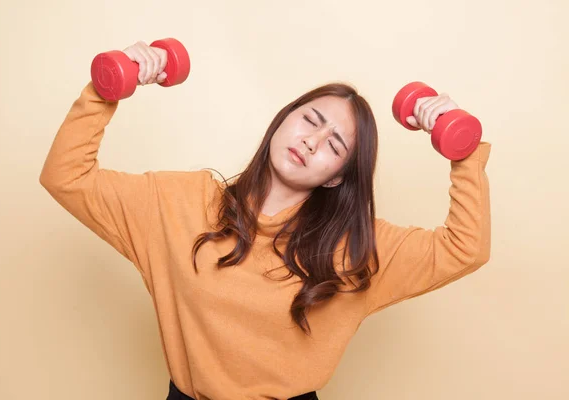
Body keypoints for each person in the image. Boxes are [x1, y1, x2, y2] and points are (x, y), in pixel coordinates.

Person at [39, 40, 491, 400]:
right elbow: (66, 176)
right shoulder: (176, 201)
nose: (313, 142)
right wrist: (105, 90)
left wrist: (463, 152)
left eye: (335, 147)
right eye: (310, 120)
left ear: (337, 178)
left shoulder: (357, 247)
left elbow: (464, 248)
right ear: (282, 120)